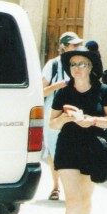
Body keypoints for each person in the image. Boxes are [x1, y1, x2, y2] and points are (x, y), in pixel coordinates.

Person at [49, 46, 107, 214]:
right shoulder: (63, 92)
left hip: (93, 149)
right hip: (68, 149)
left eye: (82, 64)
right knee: (73, 199)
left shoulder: (103, 90)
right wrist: (70, 119)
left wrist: (91, 120)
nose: (76, 68)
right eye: (73, 64)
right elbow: (52, 123)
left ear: (90, 67)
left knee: (86, 198)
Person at [42, 32, 84, 201]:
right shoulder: (53, 65)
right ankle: (55, 186)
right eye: (74, 45)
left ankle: (71, 188)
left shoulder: (81, 64)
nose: (77, 48)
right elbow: (41, 90)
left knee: (74, 147)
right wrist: (60, 85)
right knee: (54, 149)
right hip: (54, 110)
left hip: (75, 111)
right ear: (64, 47)